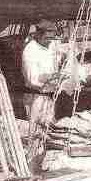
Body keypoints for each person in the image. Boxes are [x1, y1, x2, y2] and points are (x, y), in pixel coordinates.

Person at [21, 20, 63, 160]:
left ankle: (45, 162)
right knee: (35, 134)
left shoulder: (51, 45)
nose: (50, 41)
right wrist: (53, 76)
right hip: (36, 97)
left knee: (50, 131)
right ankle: (31, 163)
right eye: (47, 38)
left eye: (52, 37)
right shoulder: (30, 50)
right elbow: (33, 78)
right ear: (38, 35)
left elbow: (59, 57)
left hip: (50, 95)